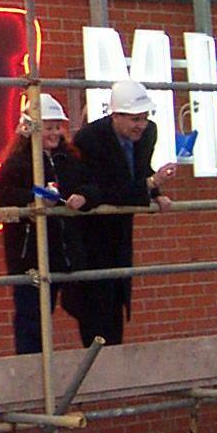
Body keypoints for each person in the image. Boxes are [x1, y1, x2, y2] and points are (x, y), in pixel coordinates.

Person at [0, 93, 99, 354]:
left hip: (66, 255)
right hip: (31, 258)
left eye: (57, 126)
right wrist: (33, 199)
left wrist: (84, 196)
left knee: (89, 309)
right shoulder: (17, 164)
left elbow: (92, 185)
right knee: (32, 321)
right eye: (49, 126)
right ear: (31, 128)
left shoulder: (70, 160)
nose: (55, 133)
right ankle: (32, 374)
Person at [70, 80, 177, 347]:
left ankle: (111, 359)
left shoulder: (148, 133)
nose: (140, 124)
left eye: (144, 118)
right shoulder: (90, 140)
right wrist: (151, 185)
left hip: (120, 232)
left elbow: (138, 171)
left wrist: (154, 193)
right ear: (115, 115)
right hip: (93, 235)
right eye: (134, 119)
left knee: (117, 298)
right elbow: (107, 188)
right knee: (96, 302)